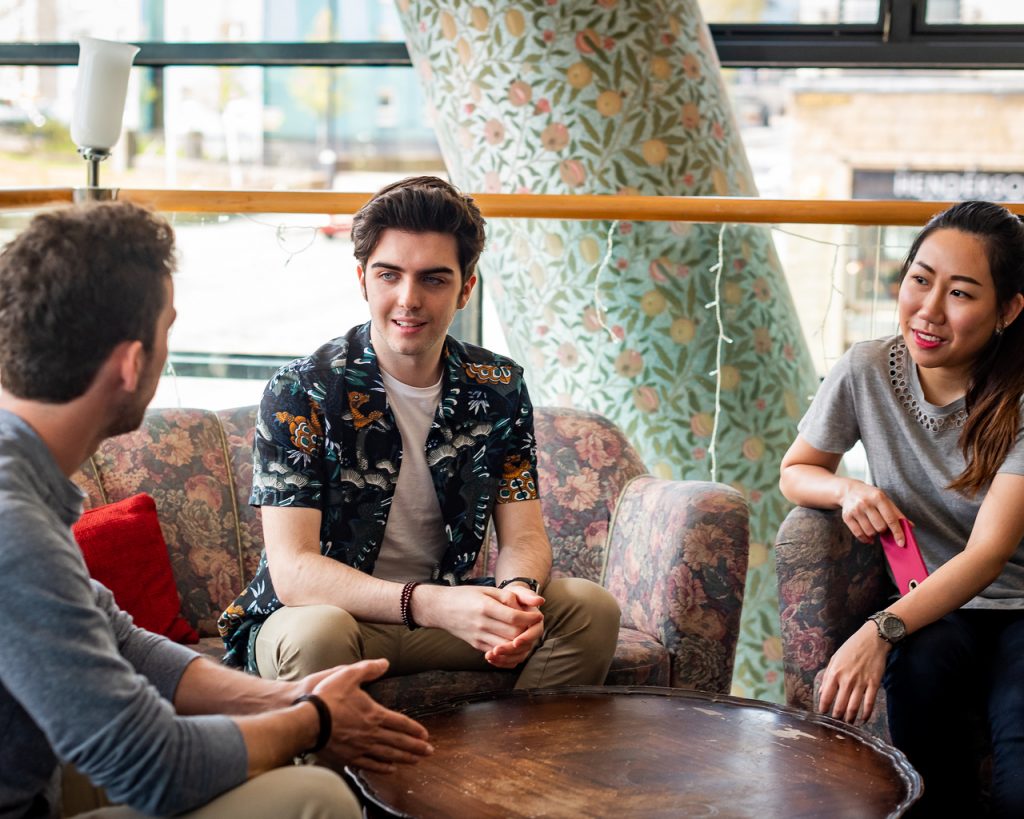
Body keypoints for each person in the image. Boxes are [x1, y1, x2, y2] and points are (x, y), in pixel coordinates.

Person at [0, 202, 432, 819]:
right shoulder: (13, 525)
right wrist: (313, 722)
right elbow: (154, 768)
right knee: (314, 797)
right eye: (167, 328)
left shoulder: (22, 485)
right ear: (130, 363)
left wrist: (282, 699)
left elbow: (120, 642)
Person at [218, 176, 620, 691]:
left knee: (588, 609)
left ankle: (511, 769)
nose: (408, 300)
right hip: (331, 620)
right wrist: (434, 605)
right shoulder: (302, 389)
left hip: (447, 614)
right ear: (363, 279)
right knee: (319, 632)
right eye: (390, 275)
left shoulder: (498, 387)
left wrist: (516, 596)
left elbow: (523, 535)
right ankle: (333, 775)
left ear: (465, 289)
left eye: (433, 280)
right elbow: (294, 572)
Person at [779, 200, 1024, 816]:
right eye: (920, 279)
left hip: (1018, 606)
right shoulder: (867, 368)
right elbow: (796, 472)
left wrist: (880, 628)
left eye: (962, 293)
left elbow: (990, 554)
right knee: (922, 737)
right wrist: (850, 490)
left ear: (1008, 310)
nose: (929, 311)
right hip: (938, 606)